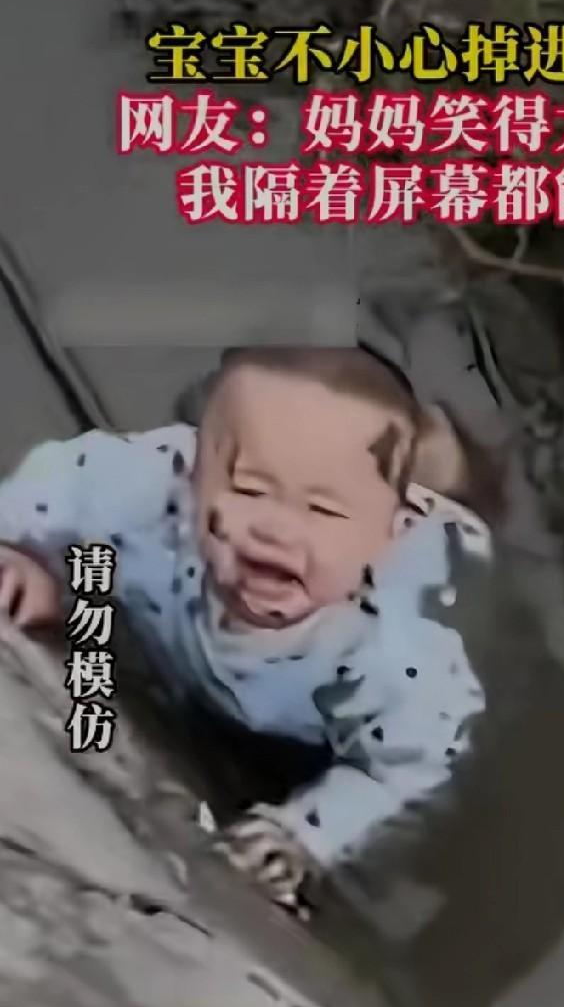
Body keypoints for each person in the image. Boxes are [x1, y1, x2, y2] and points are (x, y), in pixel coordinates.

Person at [0, 345, 506, 918]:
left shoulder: (396, 652)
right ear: (192, 474)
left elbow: (413, 768)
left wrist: (305, 833)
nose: (276, 531)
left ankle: (445, 469)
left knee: (448, 499)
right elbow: (62, 481)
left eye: (322, 511)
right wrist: (26, 555)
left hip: (311, 713)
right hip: (202, 638)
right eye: (249, 490)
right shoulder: (153, 494)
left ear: (393, 536)